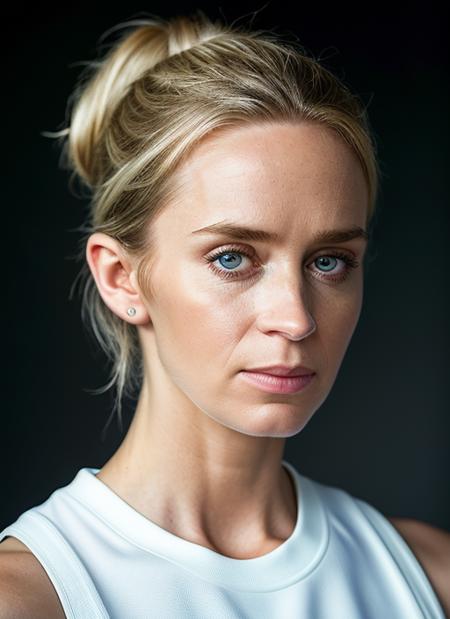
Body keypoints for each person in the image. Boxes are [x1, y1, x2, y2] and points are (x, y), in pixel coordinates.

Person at [0, 10, 449, 619]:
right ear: (120, 276)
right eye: (233, 257)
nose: (295, 320)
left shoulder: (427, 578)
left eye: (330, 261)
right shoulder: (30, 598)